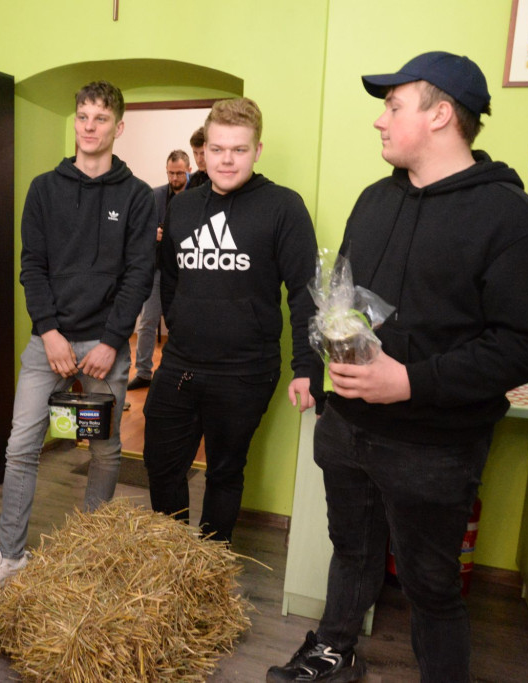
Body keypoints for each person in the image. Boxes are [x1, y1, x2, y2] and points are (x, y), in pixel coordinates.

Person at [267, 52, 528, 683]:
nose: (379, 120)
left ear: (441, 115)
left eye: (393, 106)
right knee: (351, 553)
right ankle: (333, 651)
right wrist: (334, 341)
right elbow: (345, 298)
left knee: (430, 583)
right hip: (346, 428)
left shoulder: (514, 221)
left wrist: (409, 381)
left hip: (434, 446)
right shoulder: (375, 200)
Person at [0, 80, 155, 600]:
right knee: (21, 446)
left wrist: (113, 340)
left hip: (105, 348)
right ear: (76, 122)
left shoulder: (135, 196)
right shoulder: (44, 188)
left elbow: (138, 273)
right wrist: (48, 331)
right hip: (49, 343)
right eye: (83, 116)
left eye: (100, 119)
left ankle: (87, 553)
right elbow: (32, 266)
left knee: (106, 451)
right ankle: (9, 557)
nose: (89, 127)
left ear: (119, 127)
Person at [143, 98, 319, 544]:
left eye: (238, 150)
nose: (226, 159)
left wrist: (307, 368)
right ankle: (174, 560)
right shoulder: (182, 208)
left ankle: (209, 567)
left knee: (225, 470)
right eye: (217, 148)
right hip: (181, 363)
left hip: (245, 371)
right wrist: (178, 321)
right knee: (161, 464)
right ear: (204, 150)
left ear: (257, 150)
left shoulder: (283, 207)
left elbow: (304, 293)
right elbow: (170, 277)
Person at [127, 149, 192, 392]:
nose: (174, 178)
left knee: (182, 322)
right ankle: (143, 372)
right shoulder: (154, 195)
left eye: (179, 173)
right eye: (171, 173)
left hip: (185, 271)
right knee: (147, 322)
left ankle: (178, 372)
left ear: (189, 170)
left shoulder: (197, 197)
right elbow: (139, 230)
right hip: (157, 269)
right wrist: (152, 235)